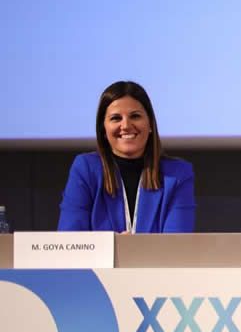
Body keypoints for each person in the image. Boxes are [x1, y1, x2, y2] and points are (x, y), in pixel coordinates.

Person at [58, 81, 195, 233]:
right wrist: (114, 244)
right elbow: (71, 239)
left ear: (150, 124)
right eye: (116, 118)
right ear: (103, 129)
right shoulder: (85, 169)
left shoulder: (178, 174)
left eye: (135, 116)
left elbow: (177, 242)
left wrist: (130, 246)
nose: (126, 126)